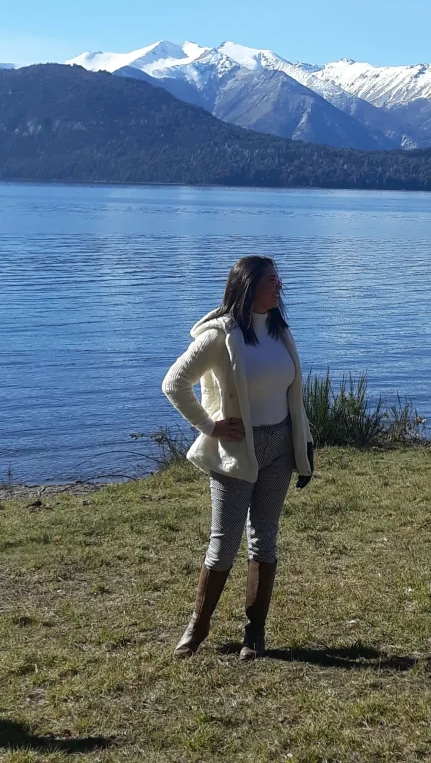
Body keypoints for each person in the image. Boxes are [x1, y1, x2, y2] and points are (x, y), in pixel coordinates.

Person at [161, 255, 314, 660]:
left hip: (280, 448)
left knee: (264, 538)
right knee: (224, 543)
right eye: (271, 280)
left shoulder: (280, 331)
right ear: (248, 287)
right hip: (236, 452)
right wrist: (210, 426)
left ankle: (255, 634)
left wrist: (305, 442)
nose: (279, 286)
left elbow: (292, 396)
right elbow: (174, 383)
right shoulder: (221, 336)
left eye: (279, 278)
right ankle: (198, 626)